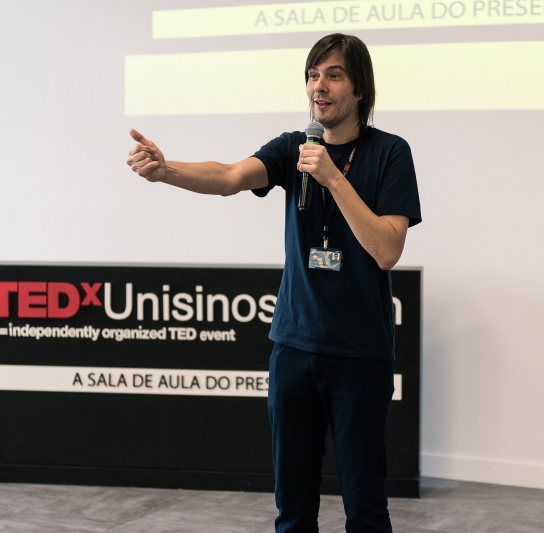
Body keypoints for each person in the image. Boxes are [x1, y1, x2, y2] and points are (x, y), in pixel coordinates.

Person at [127, 33, 421, 533]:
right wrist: (167, 171)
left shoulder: (390, 153)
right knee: (293, 509)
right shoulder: (293, 148)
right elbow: (228, 176)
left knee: (366, 508)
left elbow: (387, 249)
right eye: (312, 75)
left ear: (360, 89)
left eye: (333, 75)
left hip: (360, 352)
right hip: (294, 348)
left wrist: (333, 179)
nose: (318, 86)